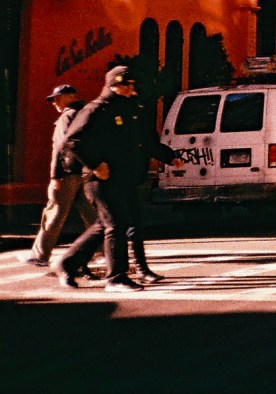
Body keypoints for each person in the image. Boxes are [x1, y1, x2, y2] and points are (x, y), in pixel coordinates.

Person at [53, 66, 179, 292]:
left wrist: (170, 157)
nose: (131, 88)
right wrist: (95, 164)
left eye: (131, 84)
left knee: (105, 225)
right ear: (112, 86)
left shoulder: (129, 110)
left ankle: (67, 263)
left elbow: (143, 142)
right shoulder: (96, 109)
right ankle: (116, 278)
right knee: (116, 224)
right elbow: (71, 141)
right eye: (125, 85)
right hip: (99, 179)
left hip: (123, 177)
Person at [20, 85, 97, 268]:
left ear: (72, 96)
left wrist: (55, 175)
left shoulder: (67, 115)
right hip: (85, 171)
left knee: (54, 211)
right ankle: (102, 251)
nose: (54, 102)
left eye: (58, 97)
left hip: (67, 172)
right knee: (91, 214)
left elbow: (61, 147)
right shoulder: (87, 113)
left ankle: (40, 255)